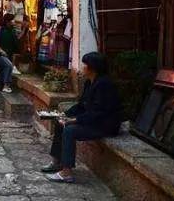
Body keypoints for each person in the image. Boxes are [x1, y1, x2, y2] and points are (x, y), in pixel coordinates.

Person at [42, 52, 123, 183]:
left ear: (92, 68)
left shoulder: (104, 85)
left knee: (70, 130)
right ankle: (57, 161)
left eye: (84, 65)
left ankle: (66, 172)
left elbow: (99, 112)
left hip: (104, 125)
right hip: (92, 120)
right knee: (60, 123)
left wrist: (75, 120)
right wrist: (64, 115)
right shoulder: (89, 82)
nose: (82, 67)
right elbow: (81, 105)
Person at [0, 13, 19, 93]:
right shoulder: (0, 29)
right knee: (9, 65)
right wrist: (1, 50)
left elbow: (16, 40)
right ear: (8, 21)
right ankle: (6, 85)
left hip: (8, 54)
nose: (14, 21)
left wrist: (24, 30)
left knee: (3, 70)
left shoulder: (13, 30)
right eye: (12, 20)